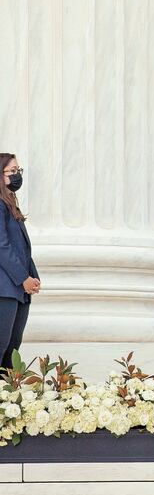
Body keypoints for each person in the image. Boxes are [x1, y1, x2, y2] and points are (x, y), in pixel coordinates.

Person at [0, 153, 39, 369]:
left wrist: (32, 277)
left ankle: (7, 397)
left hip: (19, 288)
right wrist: (23, 278)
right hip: (5, 287)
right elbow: (2, 247)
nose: (17, 175)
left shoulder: (9, 204)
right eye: (11, 171)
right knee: (2, 345)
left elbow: (22, 248)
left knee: (12, 349)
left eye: (18, 171)